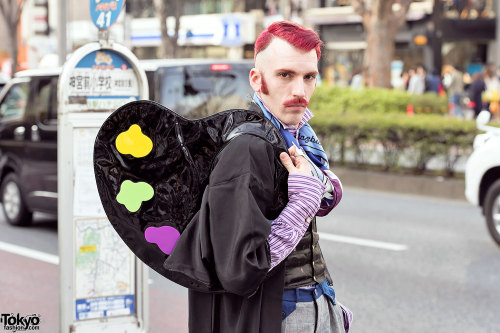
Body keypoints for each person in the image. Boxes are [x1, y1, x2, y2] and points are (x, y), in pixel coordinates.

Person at [164, 21, 351, 333]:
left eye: (309, 77)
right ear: (257, 79)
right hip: (277, 312)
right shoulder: (248, 147)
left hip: (314, 301)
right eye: (285, 75)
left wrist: (326, 307)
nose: (299, 91)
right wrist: (301, 205)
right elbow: (241, 268)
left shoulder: (298, 139)